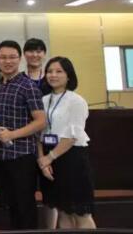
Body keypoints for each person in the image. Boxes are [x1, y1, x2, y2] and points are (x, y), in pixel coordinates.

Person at [37, 57, 96, 229]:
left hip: (71, 158)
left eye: (59, 71)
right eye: (49, 71)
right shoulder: (43, 100)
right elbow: (38, 132)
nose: (53, 75)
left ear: (69, 75)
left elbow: (72, 136)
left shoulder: (76, 101)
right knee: (63, 211)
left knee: (80, 213)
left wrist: (49, 157)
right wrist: (43, 161)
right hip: (49, 159)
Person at [0, 40, 46, 230]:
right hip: (3, 156)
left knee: (25, 206)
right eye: (3, 57)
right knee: (12, 206)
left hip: (23, 156)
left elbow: (41, 121)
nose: (7, 61)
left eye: (12, 57)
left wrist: (12, 135)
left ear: (20, 59)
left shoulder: (28, 86)